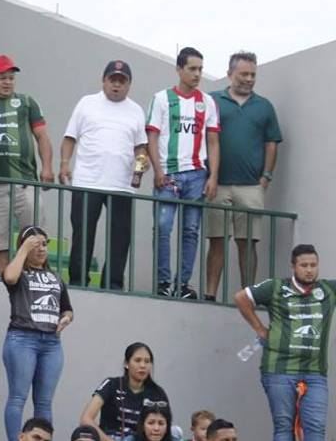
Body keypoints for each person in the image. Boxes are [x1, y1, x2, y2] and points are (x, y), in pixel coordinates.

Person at [234, 243, 333, 441]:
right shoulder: (276, 287)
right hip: (278, 369)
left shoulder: (328, 290)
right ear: (293, 266)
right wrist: (259, 328)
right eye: (304, 265)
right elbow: (241, 297)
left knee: (316, 427)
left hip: (315, 372)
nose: (309, 270)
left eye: (313, 265)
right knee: (284, 424)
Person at [59, 60, 149, 291]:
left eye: (122, 81)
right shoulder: (87, 103)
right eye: (112, 79)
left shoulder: (136, 110)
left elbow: (140, 146)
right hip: (88, 181)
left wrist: (142, 160)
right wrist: (64, 164)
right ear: (103, 81)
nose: (116, 85)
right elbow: (70, 138)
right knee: (83, 232)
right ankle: (78, 280)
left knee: (120, 236)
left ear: (129, 84)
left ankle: (113, 283)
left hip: (122, 184)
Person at [205, 53, 283, 299]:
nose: (249, 79)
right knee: (217, 240)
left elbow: (272, 142)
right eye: (244, 74)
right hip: (217, 184)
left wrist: (266, 177)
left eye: (253, 75)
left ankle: (248, 296)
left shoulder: (264, 106)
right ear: (230, 74)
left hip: (251, 186)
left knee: (248, 243)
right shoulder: (212, 100)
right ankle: (210, 295)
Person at [146, 47, 221, 299]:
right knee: (163, 227)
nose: (197, 74)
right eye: (192, 68)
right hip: (168, 173)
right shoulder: (161, 98)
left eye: (200, 69)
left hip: (197, 174)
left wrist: (213, 176)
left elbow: (213, 142)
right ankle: (163, 282)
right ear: (179, 69)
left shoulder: (207, 102)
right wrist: (158, 169)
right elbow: (152, 136)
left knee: (190, 231)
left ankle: (182, 285)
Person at [0, 54, 54, 275]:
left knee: (36, 236)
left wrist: (47, 167)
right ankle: (8, 281)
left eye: (11, 78)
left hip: (26, 182)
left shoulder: (27, 102)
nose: (8, 82)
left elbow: (42, 136)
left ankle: (34, 280)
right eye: (2, 78)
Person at [1, 225, 72, 441]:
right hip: (23, 338)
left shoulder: (55, 277)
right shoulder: (19, 272)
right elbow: (9, 278)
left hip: (52, 343)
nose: (41, 249)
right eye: (35, 245)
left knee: (44, 403)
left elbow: (67, 309)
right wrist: (23, 249)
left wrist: (66, 318)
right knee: (18, 397)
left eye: (44, 244)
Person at [80, 342, 170, 441]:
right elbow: (86, 419)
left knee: (175, 431)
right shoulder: (111, 384)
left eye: (147, 361)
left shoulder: (157, 392)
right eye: (137, 360)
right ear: (126, 364)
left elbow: (164, 425)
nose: (143, 365)